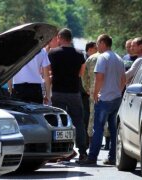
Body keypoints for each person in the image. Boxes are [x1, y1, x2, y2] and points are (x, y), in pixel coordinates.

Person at [82, 34, 126, 165]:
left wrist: (95, 93)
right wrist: (118, 91)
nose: (96, 46)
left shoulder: (102, 57)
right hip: (116, 99)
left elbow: (99, 77)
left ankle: (92, 157)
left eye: (97, 43)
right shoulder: (119, 58)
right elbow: (124, 79)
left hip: (104, 99)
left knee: (98, 128)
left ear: (103, 42)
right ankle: (112, 157)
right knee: (113, 129)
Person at [48, 28, 87, 163]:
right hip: (74, 92)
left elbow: (49, 72)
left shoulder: (52, 53)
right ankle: (83, 152)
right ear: (70, 39)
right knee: (78, 122)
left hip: (58, 92)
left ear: (60, 37)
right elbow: (81, 73)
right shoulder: (79, 54)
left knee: (59, 124)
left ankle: (62, 152)